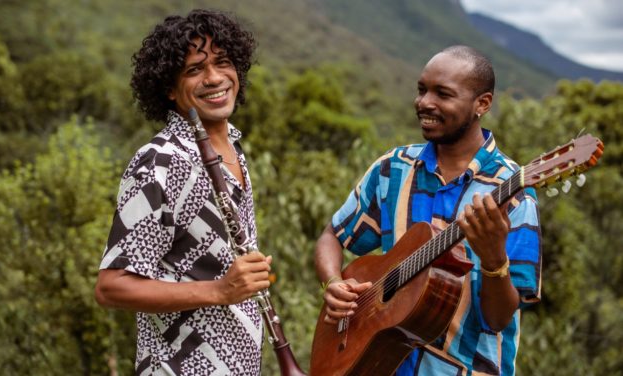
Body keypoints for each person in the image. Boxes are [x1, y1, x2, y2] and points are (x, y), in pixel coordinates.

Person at [314, 45, 541, 375]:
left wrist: (494, 259)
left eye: (443, 94)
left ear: (482, 104)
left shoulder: (515, 195)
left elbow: (498, 319)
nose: (425, 103)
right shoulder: (393, 169)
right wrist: (333, 283)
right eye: (422, 90)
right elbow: (331, 237)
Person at [95, 9, 272, 375]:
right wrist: (221, 290)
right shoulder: (159, 162)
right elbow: (112, 286)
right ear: (170, 89)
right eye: (194, 70)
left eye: (223, 62)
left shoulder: (233, 149)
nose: (214, 78)